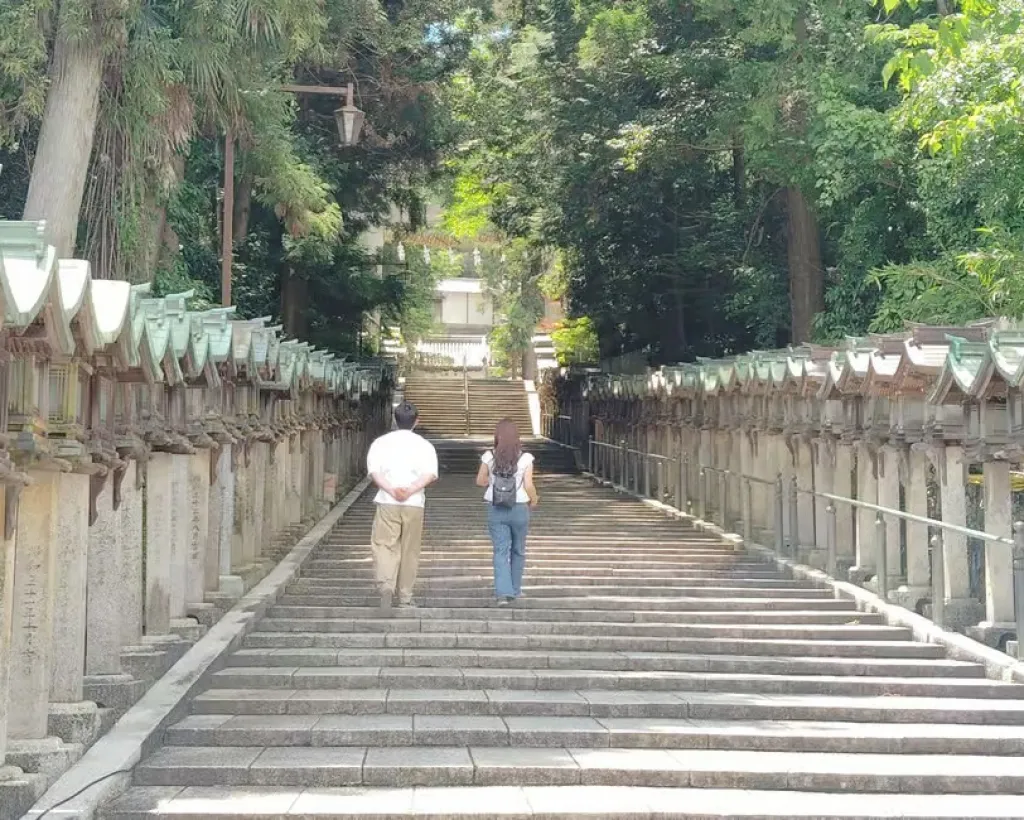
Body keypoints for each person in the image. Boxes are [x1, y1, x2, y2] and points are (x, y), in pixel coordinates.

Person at [366, 401, 438, 613]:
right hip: (414, 503)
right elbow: (430, 474)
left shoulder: (380, 443)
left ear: (395, 420)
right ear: (417, 421)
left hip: (387, 501)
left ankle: (386, 585)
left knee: (384, 545)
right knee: (410, 550)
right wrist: (410, 489)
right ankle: (405, 596)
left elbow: (374, 472)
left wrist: (391, 489)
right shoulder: (424, 445)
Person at [475, 419, 539, 606]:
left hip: (496, 507)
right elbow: (529, 485)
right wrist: (534, 500)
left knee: (500, 550)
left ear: (498, 436)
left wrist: (495, 484)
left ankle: (503, 593)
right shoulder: (526, 458)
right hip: (520, 508)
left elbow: (480, 481)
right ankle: (516, 589)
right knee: (518, 549)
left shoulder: (489, 456)